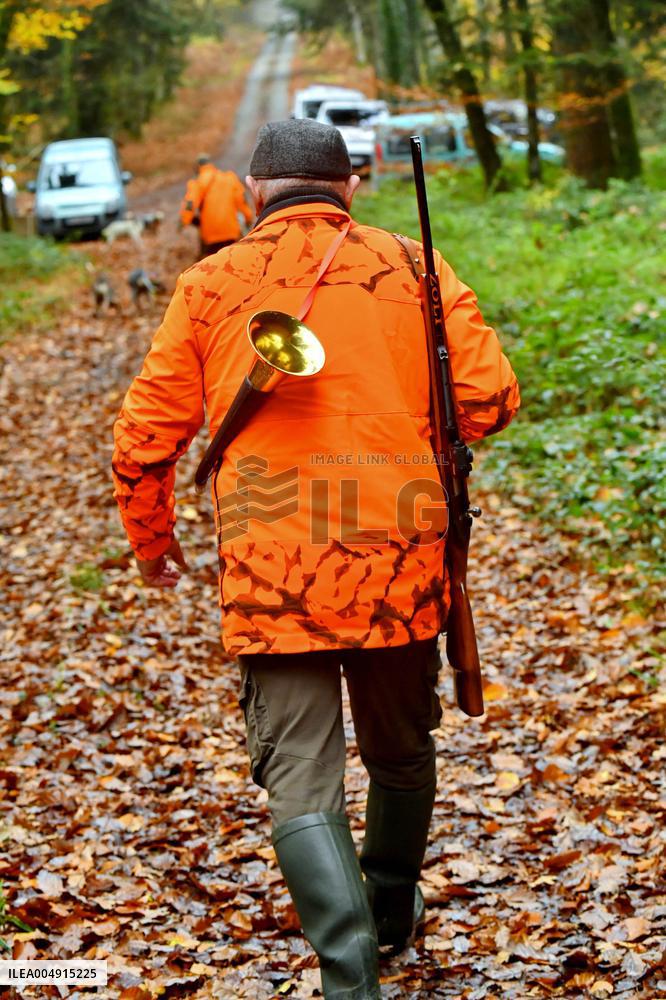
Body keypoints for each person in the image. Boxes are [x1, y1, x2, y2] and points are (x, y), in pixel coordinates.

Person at [113, 119, 520, 999]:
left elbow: (144, 438)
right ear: (352, 187)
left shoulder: (210, 281)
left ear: (253, 194)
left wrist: (155, 544)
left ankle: (351, 975)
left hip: (270, 560)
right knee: (402, 750)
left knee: (300, 776)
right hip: (398, 548)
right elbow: (489, 400)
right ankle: (391, 907)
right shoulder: (415, 267)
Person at [179, 153, 252, 256]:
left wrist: (183, 222)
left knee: (211, 267)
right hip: (230, 231)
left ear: (197, 167)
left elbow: (189, 205)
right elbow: (242, 201)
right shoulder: (229, 178)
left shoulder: (197, 182)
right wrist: (248, 218)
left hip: (210, 236)